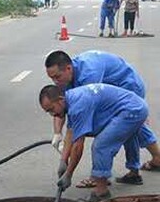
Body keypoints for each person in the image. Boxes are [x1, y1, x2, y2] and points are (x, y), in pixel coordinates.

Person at [44, 50, 160, 188]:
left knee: (126, 126)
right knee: (128, 125)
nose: (55, 82)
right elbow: (62, 108)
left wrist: (69, 170)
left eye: (57, 77)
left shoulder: (89, 74)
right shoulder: (67, 75)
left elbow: (77, 117)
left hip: (128, 85)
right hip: (113, 93)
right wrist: (57, 133)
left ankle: (100, 177)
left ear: (68, 68)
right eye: (52, 78)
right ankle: (139, 167)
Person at [39, 84, 155, 202]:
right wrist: (63, 160)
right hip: (134, 106)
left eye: (51, 109)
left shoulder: (78, 106)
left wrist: (69, 174)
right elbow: (71, 132)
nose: (52, 114)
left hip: (132, 110)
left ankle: (101, 191)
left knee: (101, 145)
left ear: (60, 100)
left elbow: (78, 145)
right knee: (128, 134)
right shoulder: (72, 99)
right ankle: (133, 174)